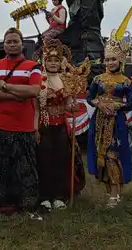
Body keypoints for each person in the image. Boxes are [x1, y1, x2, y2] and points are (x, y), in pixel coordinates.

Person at [0, 27, 43, 224]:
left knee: (27, 169)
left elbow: (34, 90)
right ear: (4, 44)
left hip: (24, 126)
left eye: (15, 41)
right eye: (8, 41)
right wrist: (18, 94)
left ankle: (30, 208)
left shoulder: (34, 66)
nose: (12, 44)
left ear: (22, 43)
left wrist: (5, 86)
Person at [86, 29, 132, 208]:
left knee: (114, 155)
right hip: (99, 121)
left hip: (117, 123)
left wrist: (116, 105)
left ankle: (116, 192)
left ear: (120, 60)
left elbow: (131, 104)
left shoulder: (126, 81)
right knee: (102, 156)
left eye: (113, 59)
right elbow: (89, 97)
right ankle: (109, 190)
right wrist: (98, 103)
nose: (110, 62)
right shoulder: (97, 79)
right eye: (107, 59)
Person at [35, 39, 85, 211]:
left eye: (56, 60)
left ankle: (59, 196)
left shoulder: (66, 80)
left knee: (61, 160)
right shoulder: (38, 80)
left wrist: (73, 107)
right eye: (50, 60)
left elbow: (71, 104)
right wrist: (35, 129)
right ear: (44, 61)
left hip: (61, 127)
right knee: (44, 161)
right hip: (44, 126)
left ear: (61, 62)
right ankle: (44, 196)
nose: (53, 63)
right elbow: (35, 107)